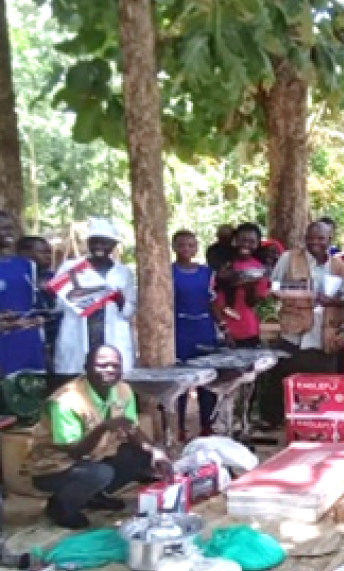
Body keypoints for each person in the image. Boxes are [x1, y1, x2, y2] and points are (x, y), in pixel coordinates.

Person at [30, 345, 171, 529]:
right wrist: (103, 427)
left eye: (115, 365)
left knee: (141, 455)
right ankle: (60, 507)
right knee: (100, 474)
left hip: (95, 458)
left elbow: (133, 430)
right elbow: (75, 452)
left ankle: (93, 496)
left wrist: (155, 452)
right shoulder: (65, 401)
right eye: (102, 365)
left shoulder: (123, 390)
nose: (110, 370)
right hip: (54, 467)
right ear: (86, 367)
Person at [259, 221, 344, 426]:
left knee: (322, 387)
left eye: (320, 238)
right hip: (294, 333)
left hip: (325, 335)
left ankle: (318, 425)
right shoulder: (290, 258)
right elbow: (273, 288)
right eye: (310, 237)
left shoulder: (340, 267)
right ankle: (278, 423)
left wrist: (331, 301)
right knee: (284, 382)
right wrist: (301, 291)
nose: (314, 242)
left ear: (330, 240)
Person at [53, 218, 136, 375]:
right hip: (77, 334)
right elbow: (59, 305)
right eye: (95, 242)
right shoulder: (70, 267)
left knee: (112, 378)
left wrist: (118, 299)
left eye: (105, 243)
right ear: (88, 243)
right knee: (74, 381)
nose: (99, 247)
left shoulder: (123, 273)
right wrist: (82, 296)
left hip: (112, 336)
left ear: (113, 245)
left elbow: (129, 310)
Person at [172, 229, 220, 440]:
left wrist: (224, 327)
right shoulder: (167, 272)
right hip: (179, 329)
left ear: (197, 247)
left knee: (207, 379)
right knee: (179, 380)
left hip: (203, 327)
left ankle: (207, 425)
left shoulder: (207, 273)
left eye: (191, 245)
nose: (186, 249)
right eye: (182, 245)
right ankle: (178, 426)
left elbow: (213, 302)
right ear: (174, 247)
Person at [213, 222, 269, 348]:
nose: (246, 245)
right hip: (221, 330)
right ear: (235, 241)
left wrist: (249, 287)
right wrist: (225, 330)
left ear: (258, 243)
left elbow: (253, 303)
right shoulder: (223, 263)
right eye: (242, 240)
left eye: (251, 241)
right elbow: (212, 300)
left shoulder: (260, 269)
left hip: (248, 331)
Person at [0, 231, 45, 376]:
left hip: (25, 346)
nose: (7, 232)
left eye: (9, 227)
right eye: (2, 227)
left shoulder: (27, 266)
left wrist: (39, 319)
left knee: (26, 393)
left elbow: (34, 306)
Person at [17, 235, 60, 371]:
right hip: (24, 342)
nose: (48, 256)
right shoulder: (17, 279)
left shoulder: (55, 278)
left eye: (49, 252)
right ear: (24, 254)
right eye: (43, 252)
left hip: (55, 340)